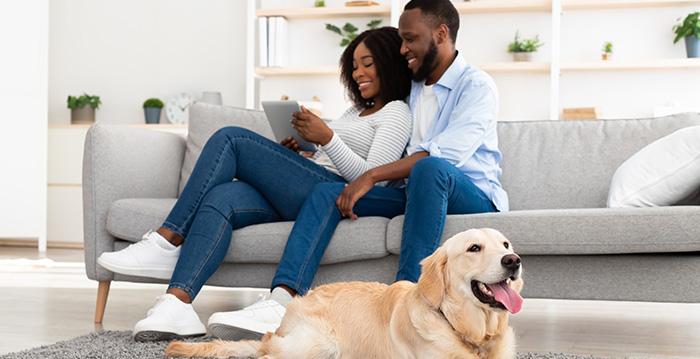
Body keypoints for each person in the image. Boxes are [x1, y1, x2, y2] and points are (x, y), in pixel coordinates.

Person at [96, 26, 413, 342]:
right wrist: (303, 152)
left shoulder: (397, 112)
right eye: (354, 65)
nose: (358, 72)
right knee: (222, 197)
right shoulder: (354, 111)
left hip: (338, 194)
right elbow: (331, 161)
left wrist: (328, 138)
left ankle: (167, 240)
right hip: (314, 184)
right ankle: (176, 304)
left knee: (231, 139)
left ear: (388, 62)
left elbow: (374, 177)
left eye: (367, 64)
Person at [214, 0, 508, 339]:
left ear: (441, 34)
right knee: (328, 192)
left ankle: (407, 302)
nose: (403, 49)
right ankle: (282, 300)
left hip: (471, 195)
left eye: (410, 39)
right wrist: (314, 149)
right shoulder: (409, 90)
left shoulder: (476, 86)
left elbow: (443, 157)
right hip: (415, 192)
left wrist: (369, 176)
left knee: (429, 168)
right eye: (400, 39)